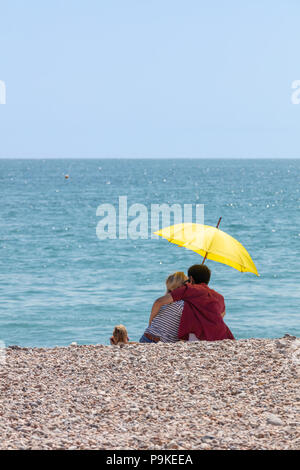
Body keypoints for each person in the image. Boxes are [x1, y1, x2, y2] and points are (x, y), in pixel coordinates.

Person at [150, 265, 234, 342]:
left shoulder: (189, 289)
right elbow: (222, 314)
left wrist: (150, 323)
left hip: (199, 336)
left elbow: (159, 302)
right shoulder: (219, 296)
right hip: (221, 335)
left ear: (191, 279)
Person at [139, 272, 188, 343]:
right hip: (158, 342)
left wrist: (150, 325)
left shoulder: (163, 301)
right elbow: (185, 328)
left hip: (146, 337)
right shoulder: (181, 304)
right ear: (182, 287)